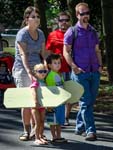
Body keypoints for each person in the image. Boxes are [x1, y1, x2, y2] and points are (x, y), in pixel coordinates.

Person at [63, 2, 102, 141]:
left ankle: (79, 126)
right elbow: (66, 52)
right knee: (85, 102)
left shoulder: (93, 31)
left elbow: (97, 50)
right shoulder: (71, 32)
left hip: (94, 72)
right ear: (77, 15)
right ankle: (90, 130)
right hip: (80, 72)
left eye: (87, 12)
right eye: (82, 13)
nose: (86, 15)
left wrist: (100, 65)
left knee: (90, 101)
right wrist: (74, 67)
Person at [12, 6, 46, 141]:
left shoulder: (41, 33)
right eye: (33, 17)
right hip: (22, 69)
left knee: (38, 101)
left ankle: (36, 130)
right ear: (27, 19)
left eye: (37, 16)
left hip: (38, 69)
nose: (36, 19)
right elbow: (23, 55)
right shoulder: (22, 34)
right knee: (26, 101)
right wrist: (29, 73)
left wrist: (45, 66)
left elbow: (43, 53)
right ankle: (26, 130)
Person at [46, 11, 73, 126]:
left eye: (66, 20)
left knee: (69, 94)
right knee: (56, 94)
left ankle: (65, 118)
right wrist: (48, 67)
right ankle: (56, 118)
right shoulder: (52, 35)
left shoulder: (73, 33)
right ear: (58, 22)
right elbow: (48, 52)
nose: (64, 22)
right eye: (61, 20)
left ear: (69, 21)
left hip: (70, 68)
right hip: (55, 71)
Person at [45, 53, 67, 143]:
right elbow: (51, 90)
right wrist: (49, 103)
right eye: (55, 63)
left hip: (60, 102)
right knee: (53, 121)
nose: (58, 65)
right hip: (53, 103)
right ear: (49, 65)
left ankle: (59, 136)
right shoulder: (51, 76)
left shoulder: (59, 74)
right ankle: (54, 137)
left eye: (59, 62)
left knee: (59, 121)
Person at [30, 63, 48, 145]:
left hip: (43, 106)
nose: (43, 73)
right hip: (35, 106)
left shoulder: (45, 82)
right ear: (35, 73)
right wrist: (35, 101)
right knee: (37, 122)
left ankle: (41, 136)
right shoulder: (36, 82)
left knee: (42, 121)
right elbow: (34, 92)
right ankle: (36, 138)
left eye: (44, 71)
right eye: (40, 71)